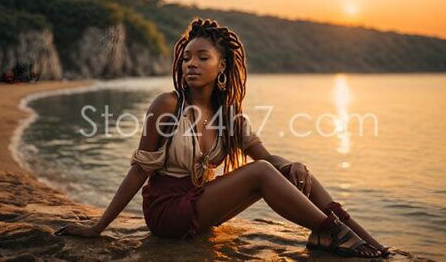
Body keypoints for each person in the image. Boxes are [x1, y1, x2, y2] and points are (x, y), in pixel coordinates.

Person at [56, 18, 390, 258]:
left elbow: (267, 159)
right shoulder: (168, 105)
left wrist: (293, 163)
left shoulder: (229, 115)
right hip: (167, 211)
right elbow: (139, 171)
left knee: (293, 170)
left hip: (201, 202)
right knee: (262, 173)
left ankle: (365, 239)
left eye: (203, 57)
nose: (191, 64)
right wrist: (98, 227)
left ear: (222, 66)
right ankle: (331, 234)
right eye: (186, 57)